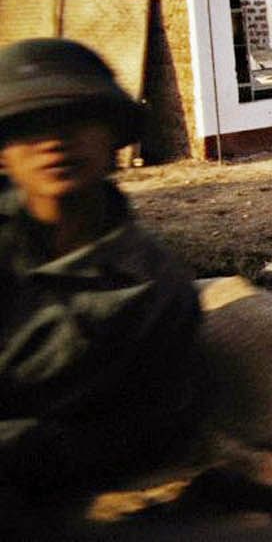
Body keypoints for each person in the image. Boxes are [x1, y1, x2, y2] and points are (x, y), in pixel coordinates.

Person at [1, 39, 200, 497]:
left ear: (113, 136)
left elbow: (144, 430)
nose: (54, 142)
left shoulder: (155, 287)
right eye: (29, 126)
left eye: (77, 118)